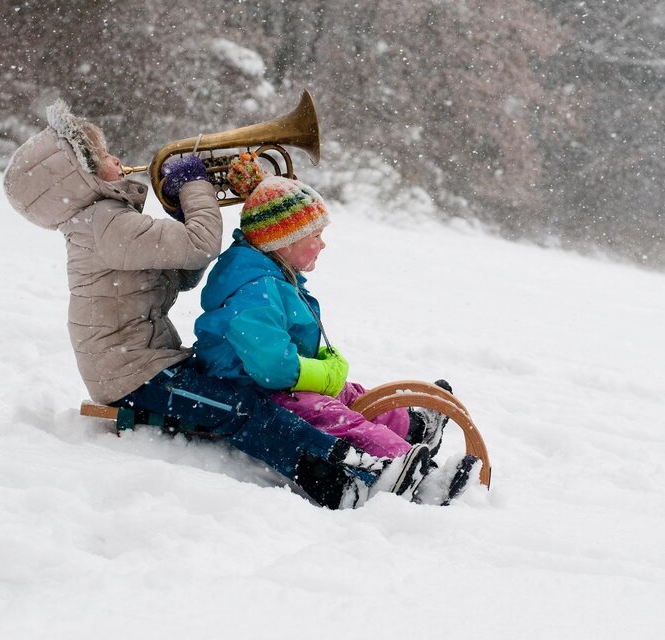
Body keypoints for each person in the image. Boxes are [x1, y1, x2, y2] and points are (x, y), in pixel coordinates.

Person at [2, 99, 430, 509]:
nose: (117, 159)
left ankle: (384, 440)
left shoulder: (106, 223)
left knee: (243, 395)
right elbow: (202, 246)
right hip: (132, 375)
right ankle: (338, 476)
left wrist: (187, 212)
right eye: (103, 157)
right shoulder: (106, 225)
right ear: (78, 177)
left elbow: (184, 271)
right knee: (241, 410)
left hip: (143, 362)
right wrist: (196, 186)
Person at [192, 153, 481, 505]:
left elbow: (283, 340)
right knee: (335, 416)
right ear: (285, 241)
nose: (323, 243)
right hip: (254, 390)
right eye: (316, 235)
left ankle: (416, 427)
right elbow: (272, 368)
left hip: (273, 382)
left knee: (350, 394)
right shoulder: (255, 289)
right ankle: (416, 475)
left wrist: (323, 361)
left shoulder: (269, 276)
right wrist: (325, 374)